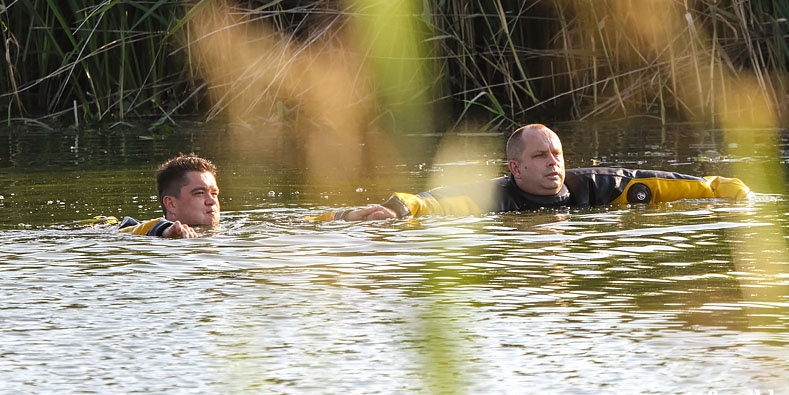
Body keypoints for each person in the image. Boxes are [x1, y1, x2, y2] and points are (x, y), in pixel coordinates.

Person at [310, 124, 752, 222]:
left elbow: (669, 185)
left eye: (557, 153)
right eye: (541, 156)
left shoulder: (592, 188)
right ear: (515, 167)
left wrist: (724, 188)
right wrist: (392, 211)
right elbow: (424, 202)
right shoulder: (492, 197)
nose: (553, 162)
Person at [119, 153, 220, 237]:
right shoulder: (131, 229)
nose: (212, 201)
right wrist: (164, 230)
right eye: (199, 193)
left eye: (214, 193)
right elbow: (127, 230)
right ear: (171, 204)